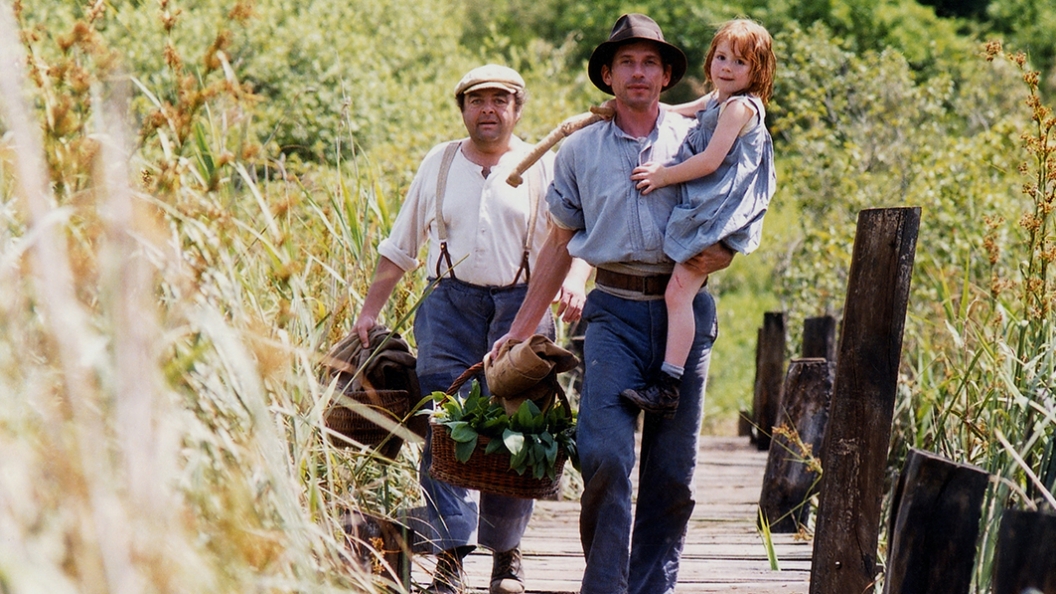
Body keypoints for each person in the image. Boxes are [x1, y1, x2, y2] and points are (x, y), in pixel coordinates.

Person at [491, 13, 736, 594]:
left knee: (672, 474)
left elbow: (736, 210)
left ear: (667, 75)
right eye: (626, 61)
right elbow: (558, 244)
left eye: (651, 62)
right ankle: (604, 585)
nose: (639, 72)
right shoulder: (579, 151)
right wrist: (522, 329)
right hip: (613, 313)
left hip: (684, 313)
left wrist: (723, 253)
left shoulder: (697, 142)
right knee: (603, 453)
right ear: (607, 73)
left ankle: (653, 586)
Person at [351, 64, 590, 594]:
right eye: (477, 100)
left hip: (522, 308)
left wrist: (574, 280)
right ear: (462, 109)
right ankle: (451, 558)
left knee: (518, 428)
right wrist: (370, 311)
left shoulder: (544, 164)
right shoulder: (438, 163)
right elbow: (400, 247)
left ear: (516, 109)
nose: (488, 109)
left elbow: (575, 238)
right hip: (449, 306)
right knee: (444, 422)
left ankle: (507, 556)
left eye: (500, 100)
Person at [620, 19, 777, 416]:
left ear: (756, 71)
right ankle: (667, 379)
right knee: (679, 292)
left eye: (739, 62)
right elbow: (675, 110)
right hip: (707, 206)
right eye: (721, 57)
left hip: (718, 210)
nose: (726, 67)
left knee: (678, 293)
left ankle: (669, 383)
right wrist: (628, 106)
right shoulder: (718, 99)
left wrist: (663, 175)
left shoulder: (740, 107)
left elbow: (709, 161)